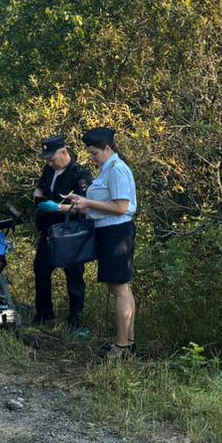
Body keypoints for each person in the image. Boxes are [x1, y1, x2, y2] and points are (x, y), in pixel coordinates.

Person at [64, 126, 138, 360]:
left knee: (120, 288)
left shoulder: (117, 170)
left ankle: (121, 345)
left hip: (117, 234)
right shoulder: (108, 169)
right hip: (108, 232)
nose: (93, 159)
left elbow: (121, 207)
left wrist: (87, 203)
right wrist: (82, 202)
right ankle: (128, 341)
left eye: (95, 153)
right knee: (121, 288)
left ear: (108, 148)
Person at [31, 135, 93, 327]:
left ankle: (75, 320)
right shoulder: (49, 170)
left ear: (64, 152)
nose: (50, 162)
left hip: (70, 230)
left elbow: (85, 206)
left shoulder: (79, 174)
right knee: (41, 269)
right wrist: (39, 199)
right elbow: (40, 189)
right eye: (47, 159)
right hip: (49, 229)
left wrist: (58, 208)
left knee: (73, 276)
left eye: (52, 158)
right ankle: (44, 314)